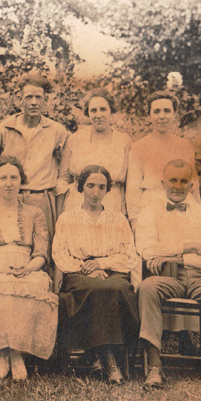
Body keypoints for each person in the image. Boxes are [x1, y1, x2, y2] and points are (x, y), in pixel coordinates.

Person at [135, 159, 201, 397]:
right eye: (173, 180)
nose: (178, 186)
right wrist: (194, 247)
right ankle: (155, 367)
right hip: (166, 277)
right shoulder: (149, 212)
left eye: (184, 181)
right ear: (163, 183)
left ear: (192, 185)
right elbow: (146, 250)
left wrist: (171, 256)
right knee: (146, 288)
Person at [0, 156, 57, 381]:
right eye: (3, 178)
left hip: (27, 266)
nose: (9, 183)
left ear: (21, 180)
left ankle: (14, 353)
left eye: (14, 178)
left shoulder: (35, 213)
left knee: (33, 286)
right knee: (1, 288)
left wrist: (28, 268)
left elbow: (41, 253)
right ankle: (6, 352)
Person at [53, 165, 140, 385]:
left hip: (113, 270)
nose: (95, 192)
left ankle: (98, 356)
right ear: (81, 187)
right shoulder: (67, 218)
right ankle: (108, 357)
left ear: (107, 190)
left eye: (101, 187)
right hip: (78, 272)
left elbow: (130, 255)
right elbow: (60, 254)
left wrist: (101, 264)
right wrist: (87, 268)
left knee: (117, 287)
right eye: (90, 186)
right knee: (97, 288)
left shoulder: (118, 219)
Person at [0, 74, 69, 243]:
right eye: (28, 97)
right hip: (9, 199)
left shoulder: (57, 131)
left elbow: (65, 172)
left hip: (43, 201)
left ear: (45, 100)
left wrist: (56, 201)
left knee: (43, 249)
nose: (34, 102)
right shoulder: (2, 130)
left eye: (39, 97)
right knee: (11, 247)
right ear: (19, 99)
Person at [126, 91, 201, 225]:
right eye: (156, 112)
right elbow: (133, 191)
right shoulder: (138, 147)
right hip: (151, 210)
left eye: (167, 111)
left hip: (182, 209)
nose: (162, 116)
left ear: (174, 114)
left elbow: (194, 186)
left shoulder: (185, 146)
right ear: (149, 116)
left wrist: (198, 214)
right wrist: (136, 221)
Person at [58, 88, 131, 215]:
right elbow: (63, 180)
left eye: (103, 109)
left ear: (111, 111)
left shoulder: (123, 140)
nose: (98, 115)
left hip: (112, 203)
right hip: (77, 203)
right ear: (88, 113)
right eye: (93, 110)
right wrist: (61, 216)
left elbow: (130, 184)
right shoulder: (75, 139)